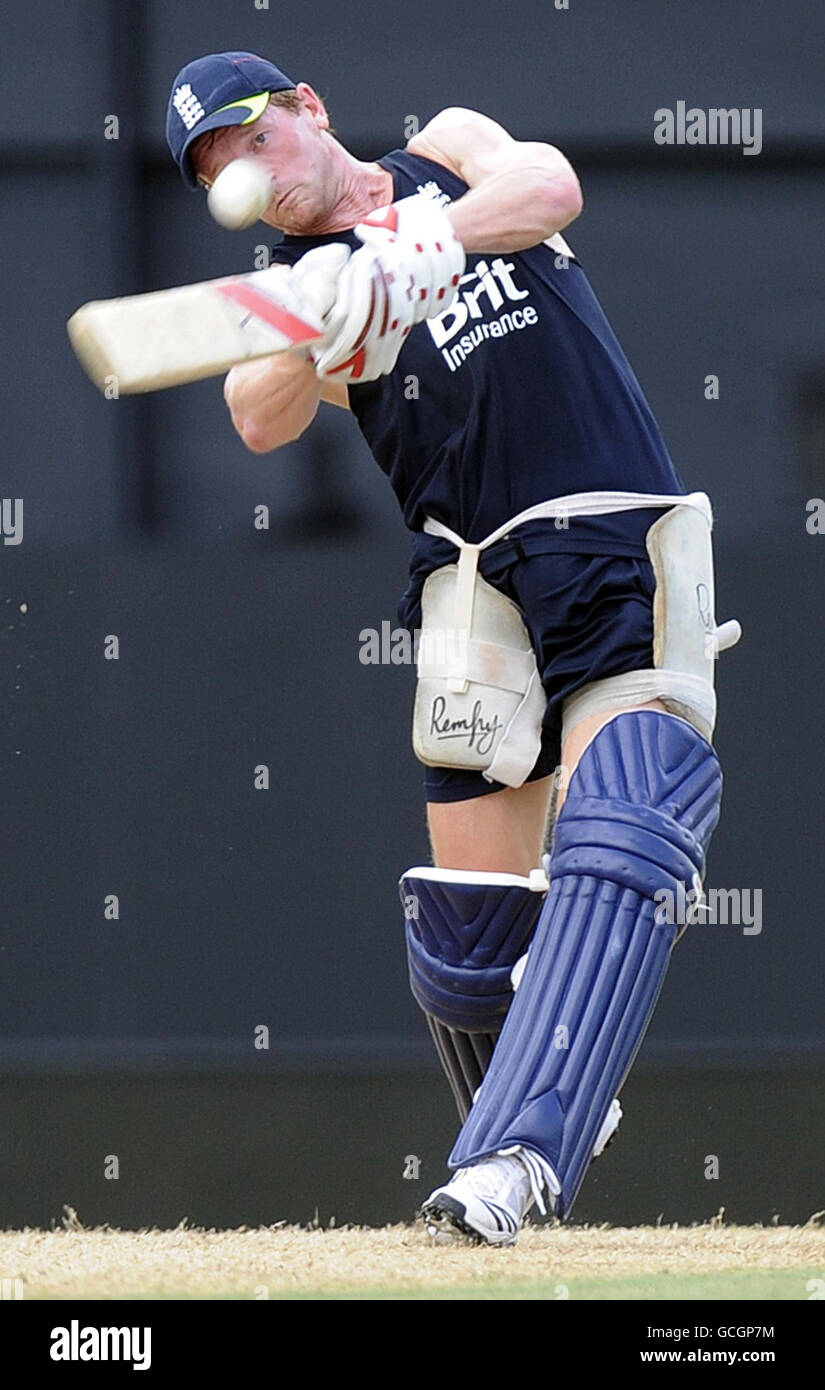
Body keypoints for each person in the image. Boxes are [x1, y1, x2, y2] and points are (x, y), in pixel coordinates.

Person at [166, 52, 739, 1245]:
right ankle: (544, 1167)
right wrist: (342, 306)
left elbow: (549, 186)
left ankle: (512, 1159)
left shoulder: (449, 149)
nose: (244, 175)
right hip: (472, 589)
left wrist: (419, 242)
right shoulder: (310, 284)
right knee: (472, 945)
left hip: (604, 530)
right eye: (216, 168)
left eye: (249, 136)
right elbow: (254, 411)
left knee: (628, 820)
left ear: (308, 108)